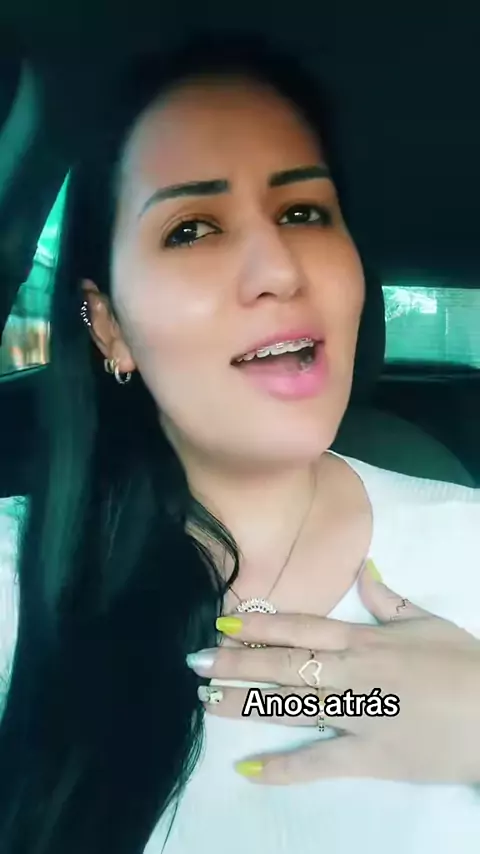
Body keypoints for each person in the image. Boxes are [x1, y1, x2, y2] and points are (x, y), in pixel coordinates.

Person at [0, 32, 479, 854]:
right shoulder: (18, 584)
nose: (279, 269)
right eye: (192, 228)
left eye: (303, 213)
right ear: (109, 325)